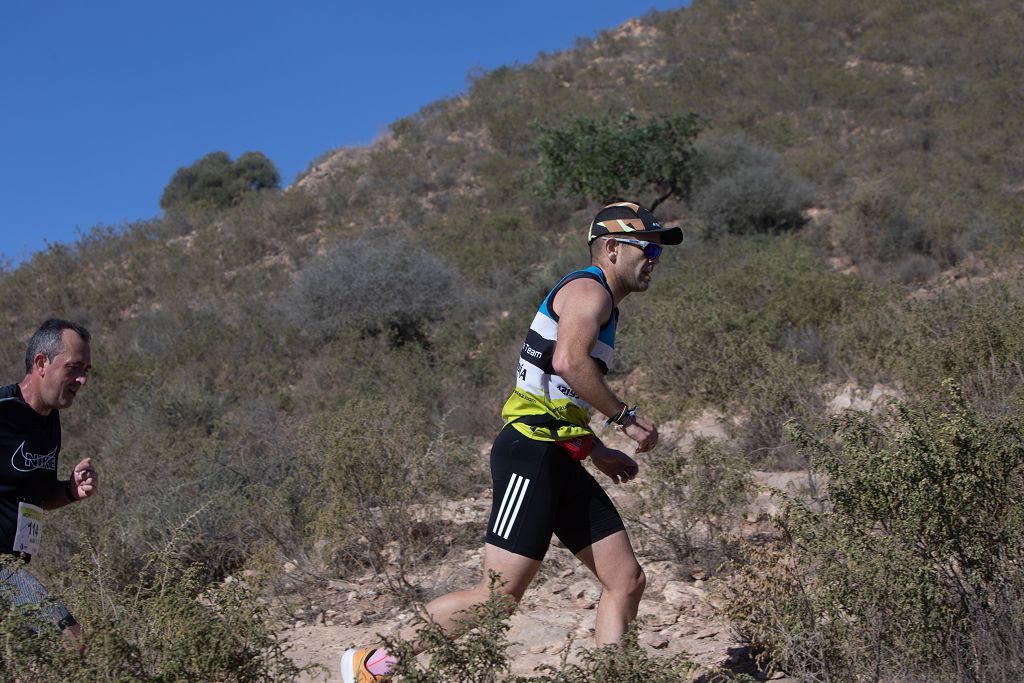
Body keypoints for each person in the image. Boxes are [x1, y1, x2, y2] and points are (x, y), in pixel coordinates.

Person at [341, 202, 683, 683]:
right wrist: (623, 417)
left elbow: (554, 391)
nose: (654, 259)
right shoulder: (590, 291)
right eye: (647, 247)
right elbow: (568, 362)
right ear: (611, 248)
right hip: (529, 451)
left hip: (559, 455)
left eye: (660, 252)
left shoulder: (598, 300)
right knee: (497, 599)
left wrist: (595, 449)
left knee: (625, 580)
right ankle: (371, 664)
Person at [0, 318, 98, 639]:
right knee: (69, 640)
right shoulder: (4, 412)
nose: (82, 379)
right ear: (41, 363)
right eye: (73, 368)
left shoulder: (50, 421)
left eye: (86, 369)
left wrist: (69, 491)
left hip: (15, 565)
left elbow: (35, 497)